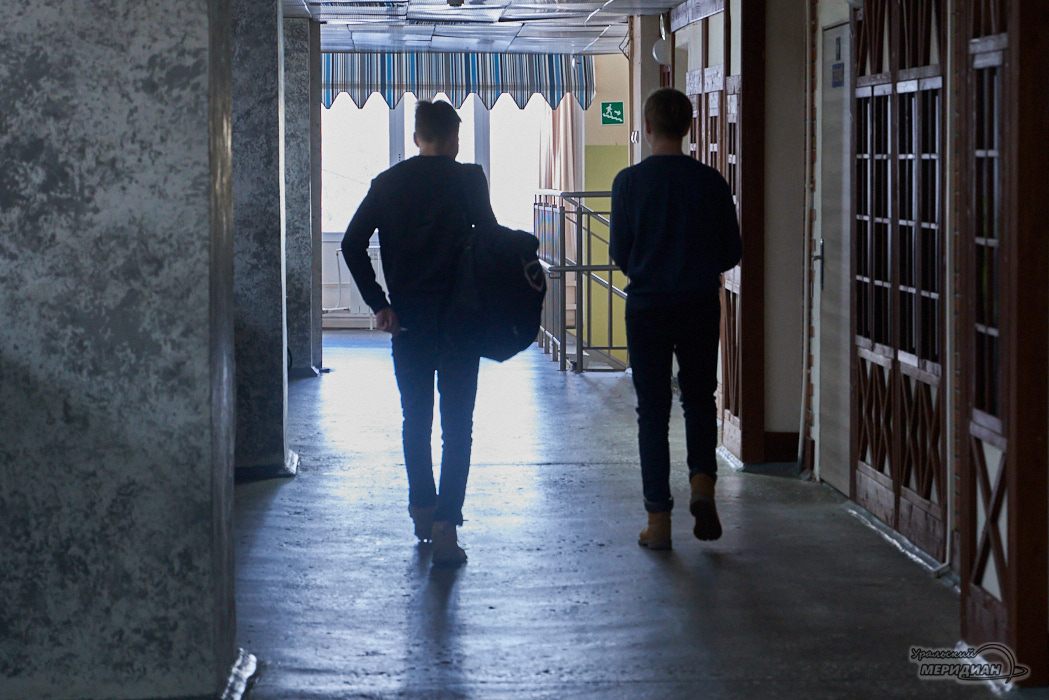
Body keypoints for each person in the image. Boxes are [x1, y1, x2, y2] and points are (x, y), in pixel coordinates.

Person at [341, 100, 496, 566]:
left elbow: (351, 243)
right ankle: (447, 524)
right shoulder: (468, 179)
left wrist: (379, 303)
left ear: (416, 138)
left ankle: (421, 509)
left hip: (408, 322)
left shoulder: (387, 183)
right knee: (458, 426)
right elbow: (490, 241)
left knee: (416, 419)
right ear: (453, 140)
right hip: (461, 322)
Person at [609, 88, 742, 550]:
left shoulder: (628, 182)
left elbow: (620, 252)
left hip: (647, 306)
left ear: (647, 128)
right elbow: (732, 250)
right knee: (700, 398)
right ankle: (702, 483)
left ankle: (659, 520)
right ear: (687, 128)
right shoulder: (711, 182)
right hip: (699, 302)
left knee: (652, 410)